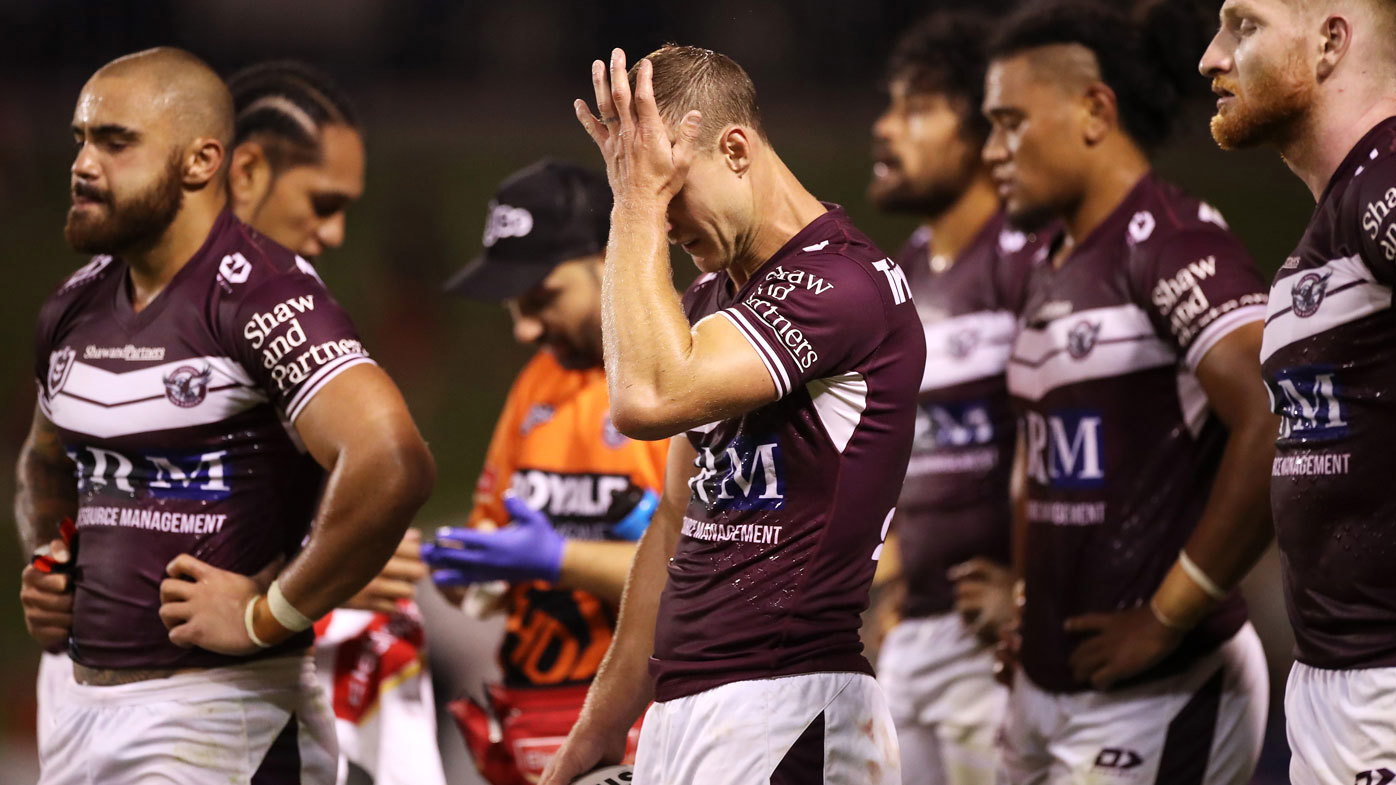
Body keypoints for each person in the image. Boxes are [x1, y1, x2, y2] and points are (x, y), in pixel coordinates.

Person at [15, 47, 434, 784]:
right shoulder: (73, 303)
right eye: (82, 139)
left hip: (221, 715)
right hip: (82, 709)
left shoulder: (260, 293)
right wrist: (52, 559)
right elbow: (47, 456)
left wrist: (267, 613)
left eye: (116, 142)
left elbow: (391, 459)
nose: (84, 163)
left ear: (202, 161)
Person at [538, 44, 925, 785]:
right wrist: (601, 725)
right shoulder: (713, 301)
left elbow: (644, 396)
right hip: (692, 708)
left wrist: (635, 204)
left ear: (736, 149)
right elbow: (676, 521)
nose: (663, 221)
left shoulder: (844, 283)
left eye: (666, 188)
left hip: (790, 703)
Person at [981, 2, 1277, 782]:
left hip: (1159, 687)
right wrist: (1026, 604)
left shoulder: (1172, 241)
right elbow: (1043, 469)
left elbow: (1273, 415)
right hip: (1046, 687)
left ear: (1094, 110)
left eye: (1010, 122)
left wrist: (1167, 614)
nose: (992, 151)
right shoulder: (1049, 263)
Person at [225, 59, 446, 785]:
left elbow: (379, 467)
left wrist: (340, 560)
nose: (334, 232)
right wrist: (318, 579)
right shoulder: (127, 298)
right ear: (245, 172)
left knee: (383, 639)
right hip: (176, 669)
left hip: (267, 640)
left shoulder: (290, 294)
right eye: (321, 202)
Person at [423, 159, 668, 784]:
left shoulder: (685, 375)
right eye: (514, 306)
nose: (525, 328)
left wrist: (558, 558)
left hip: (650, 719)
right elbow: (488, 577)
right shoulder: (538, 382)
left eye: (543, 299)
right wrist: (466, 572)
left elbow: (708, 581)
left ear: (611, 255)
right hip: (536, 717)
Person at [1200, 2, 1396, 783]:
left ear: (1329, 43)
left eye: (1243, 27)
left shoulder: (1385, 180)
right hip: (1335, 684)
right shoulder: (1336, 218)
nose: (1212, 58)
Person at [866, 10, 1048, 785]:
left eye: (917, 107)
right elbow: (904, 451)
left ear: (981, 134)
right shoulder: (903, 270)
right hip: (919, 629)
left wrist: (1032, 589)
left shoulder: (1027, 257)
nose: (884, 128)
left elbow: (1066, 437)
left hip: (1001, 640)